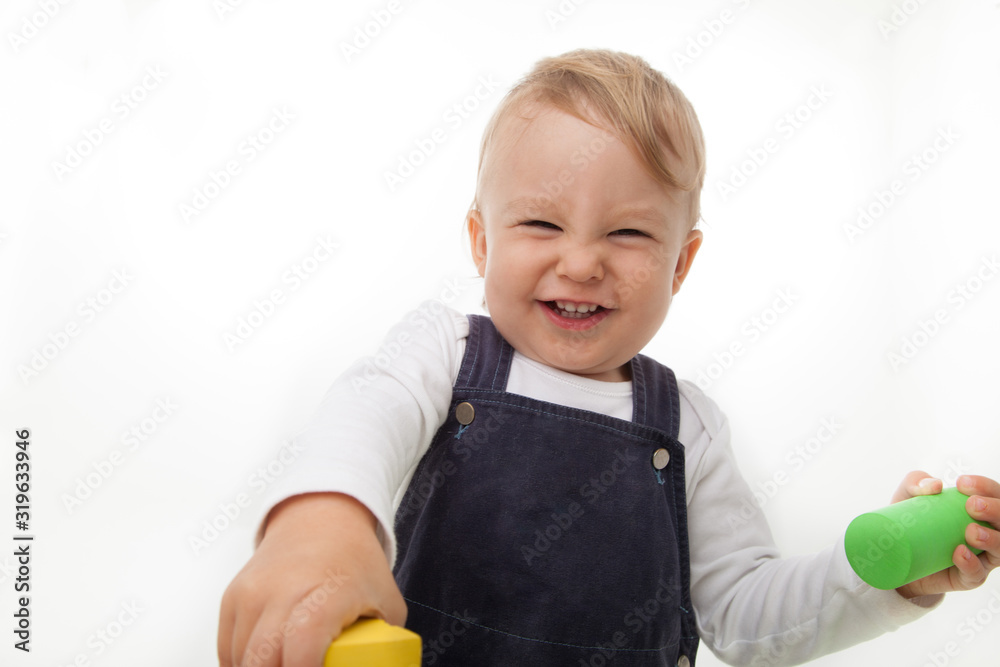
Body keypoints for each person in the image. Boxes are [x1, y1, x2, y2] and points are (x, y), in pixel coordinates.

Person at [217, 49, 999, 667]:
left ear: (680, 264)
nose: (582, 262)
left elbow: (746, 619)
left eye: (627, 233)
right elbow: (364, 412)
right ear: (482, 241)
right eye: (541, 224)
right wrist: (322, 525)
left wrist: (875, 575)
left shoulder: (687, 425)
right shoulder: (444, 353)